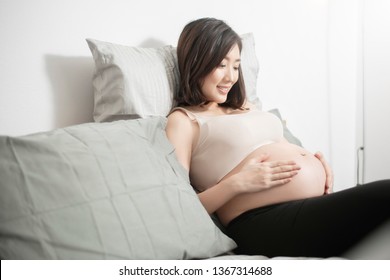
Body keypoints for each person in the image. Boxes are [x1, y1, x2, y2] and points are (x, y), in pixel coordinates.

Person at [165, 17, 390, 258]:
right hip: (259, 221)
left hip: (303, 207)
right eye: (221, 64)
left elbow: (278, 147)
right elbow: (181, 208)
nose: (231, 77)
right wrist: (237, 183)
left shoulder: (244, 106)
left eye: (236, 66)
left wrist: (317, 164)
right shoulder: (184, 120)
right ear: (197, 61)